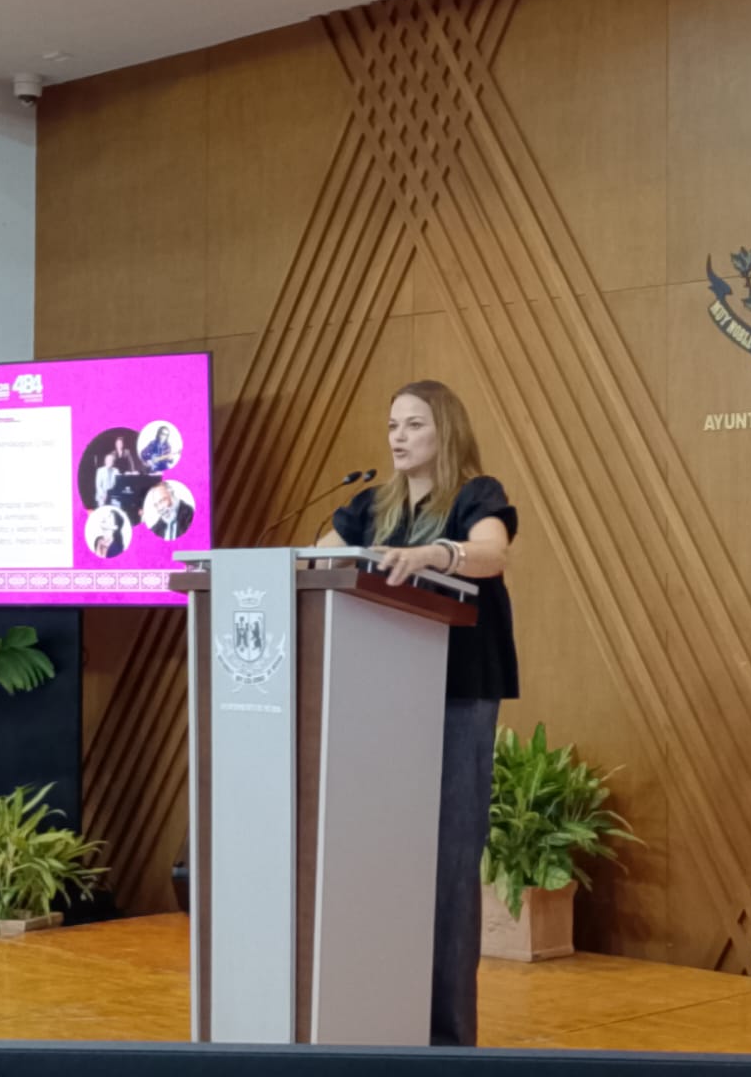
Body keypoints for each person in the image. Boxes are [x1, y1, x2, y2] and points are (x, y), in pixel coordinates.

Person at [317, 378, 518, 1048]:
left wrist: (435, 554)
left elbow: (492, 554)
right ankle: (383, 1022)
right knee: (380, 859)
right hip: (377, 696)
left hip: (458, 692)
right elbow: (320, 557)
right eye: (393, 425)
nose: (398, 437)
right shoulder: (370, 506)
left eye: (414, 425)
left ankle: (450, 1043)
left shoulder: (475, 495)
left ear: (445, 431)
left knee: (449, 867)